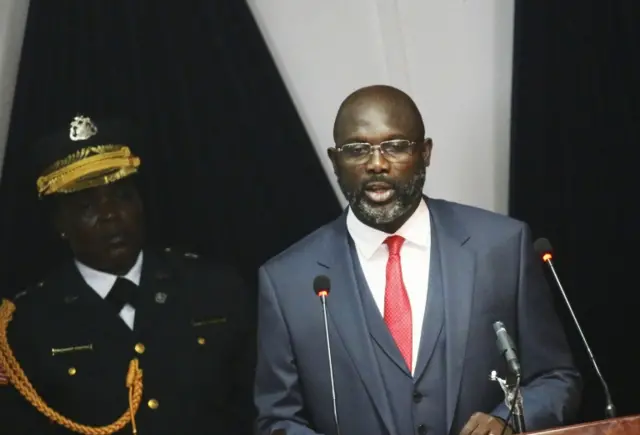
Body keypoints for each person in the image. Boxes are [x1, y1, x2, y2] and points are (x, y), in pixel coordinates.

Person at [254, 85, 582, 435]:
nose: (377, 164)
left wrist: (508, 419)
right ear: (335, 162)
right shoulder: (287, 281)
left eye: (395, 146)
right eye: (356, 149)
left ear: (425, 153)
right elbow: (278, 419)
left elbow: (555, 378)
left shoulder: (500, 247)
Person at [0, 115, 256, 434]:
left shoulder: (213, 288)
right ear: (60, 225)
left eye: (122, 196)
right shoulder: (28, 323)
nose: (109, 215)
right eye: (85, 206)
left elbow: (259, 406)